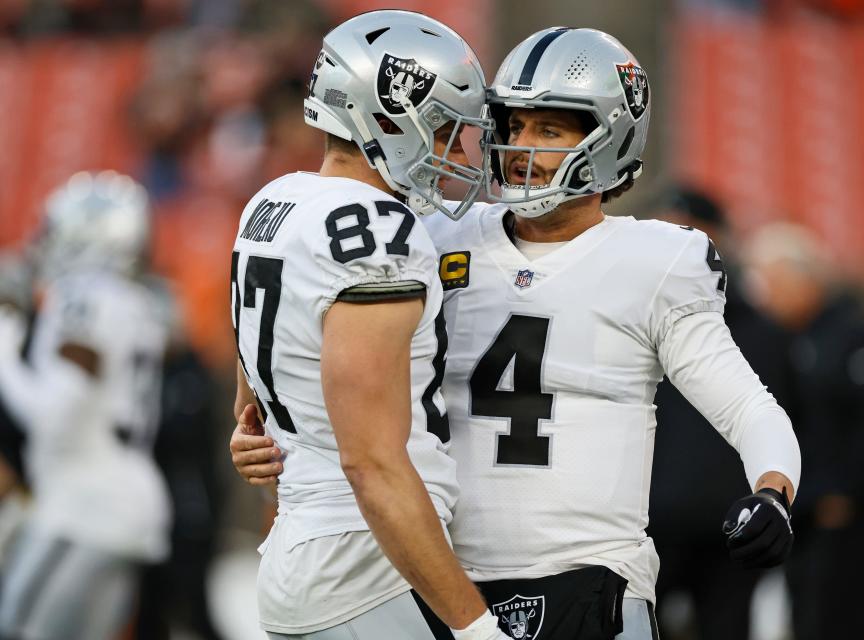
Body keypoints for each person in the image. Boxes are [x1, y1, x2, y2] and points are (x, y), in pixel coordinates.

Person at [232, 27, 802, 640]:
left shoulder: (656, 262)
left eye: (549, 130)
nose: (520, 147)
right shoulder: (431, 234)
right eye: (512, 126)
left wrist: (771, 491)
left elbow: (749, 408)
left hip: (589, 577)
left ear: (609, 140)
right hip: (447, 582)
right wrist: (265, 428)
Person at [229, 10, 509, 640]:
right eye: (443, 132)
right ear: (388, 121)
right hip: (369, 564)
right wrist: (475, 628)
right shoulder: (377, 230)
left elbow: (252, 397)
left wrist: (255, 433)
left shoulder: (273, 202)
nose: (455, 155)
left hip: (302, 551)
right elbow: (372, 464)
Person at [0, 171, 172, 640]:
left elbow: (53, 414)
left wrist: (4, 352)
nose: (45, 242)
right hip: (120, 503)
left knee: (19, 630)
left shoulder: (85, 299)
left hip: (85, 506)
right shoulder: (134, 304)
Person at [644, 187, 793, 640]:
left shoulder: (763, 328)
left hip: (731, 520)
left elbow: (779, 415)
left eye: (688, 232)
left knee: (726, 628)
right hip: (649, 520)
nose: (676, 245)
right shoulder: (631, 316)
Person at [743, 223, 864, 640]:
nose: (765, 296)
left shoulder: (848, 332)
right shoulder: (778, 339)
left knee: (836, 614)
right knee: (801, 613)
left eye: (772, 282)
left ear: (802, 277)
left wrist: (846, 492)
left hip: (842, 512)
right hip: (801, 507)